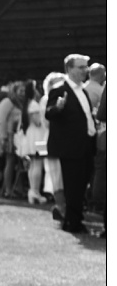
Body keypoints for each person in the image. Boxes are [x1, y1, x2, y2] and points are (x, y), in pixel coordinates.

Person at [45, 53, 97, 234]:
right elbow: (49, 113)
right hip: (71, 148)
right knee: (73, 186)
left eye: (86, 67)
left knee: (81, 185)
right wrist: (58, 107)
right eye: (81, 67)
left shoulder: (82, 90)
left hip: (86, 145)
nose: (86, 70)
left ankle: (74, 219)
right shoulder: (59, 89)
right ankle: (73, 222)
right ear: (69, 69)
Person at [21, 77, 52, 204]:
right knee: (37, 164)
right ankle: (35, 191)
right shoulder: (33, 104)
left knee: (33, 165)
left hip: (32, 135)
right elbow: (38, 122)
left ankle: (33, 191)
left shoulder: (29, 103)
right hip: (36, 136)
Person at [0, 82, 28, 198]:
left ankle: (18, 189)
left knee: (19, 163)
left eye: (24, 91)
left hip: (19, 136)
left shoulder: (21, 104)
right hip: (9, 136)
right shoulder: (7, 102)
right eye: (20, 91)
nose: (23, 93)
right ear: (14, 91)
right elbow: (1, 120)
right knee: (10, 162)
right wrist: (3, 137)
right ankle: (8, 189)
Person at [84, 63, 106, 214]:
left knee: (100, 171)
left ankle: (98, 204)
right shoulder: (98, 88)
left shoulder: (84, 87)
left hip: (96, 134)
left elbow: (101, 115)